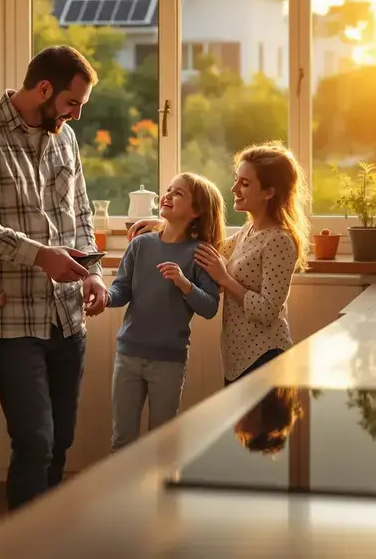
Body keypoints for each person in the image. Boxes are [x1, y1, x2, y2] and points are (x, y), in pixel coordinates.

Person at [0, 45, 109, 511]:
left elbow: (80, 212)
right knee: (35, 442)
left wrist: (94, 273)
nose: (76, 115)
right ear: (44, 89)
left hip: (66, 317)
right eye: (72, 103)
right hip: (14, 320)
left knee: (61, 440)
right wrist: (38, 256)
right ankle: (22, 542)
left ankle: (47, 532)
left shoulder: (64, 139)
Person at [130, 141, 311, 385]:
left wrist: (225, 278)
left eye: (245, 183)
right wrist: (164, 225)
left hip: (265, 357)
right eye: (236, 179)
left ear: (269, 192)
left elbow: (268, 312)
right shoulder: (249, 230)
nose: (234, 188)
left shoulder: (279, 240)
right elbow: (208, 248)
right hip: (237, 359)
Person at [103, 173, 225, 452]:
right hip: (128, 356)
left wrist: (185, 284)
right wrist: (106, 298)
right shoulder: (139, 245)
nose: (167, 196)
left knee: (162, 445)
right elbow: (121, 289)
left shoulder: (201, 254)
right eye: (168, 190)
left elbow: (209, 308)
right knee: (122, 441)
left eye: (178, 193)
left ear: (196, 211)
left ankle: (160, 484)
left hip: (169, 362)